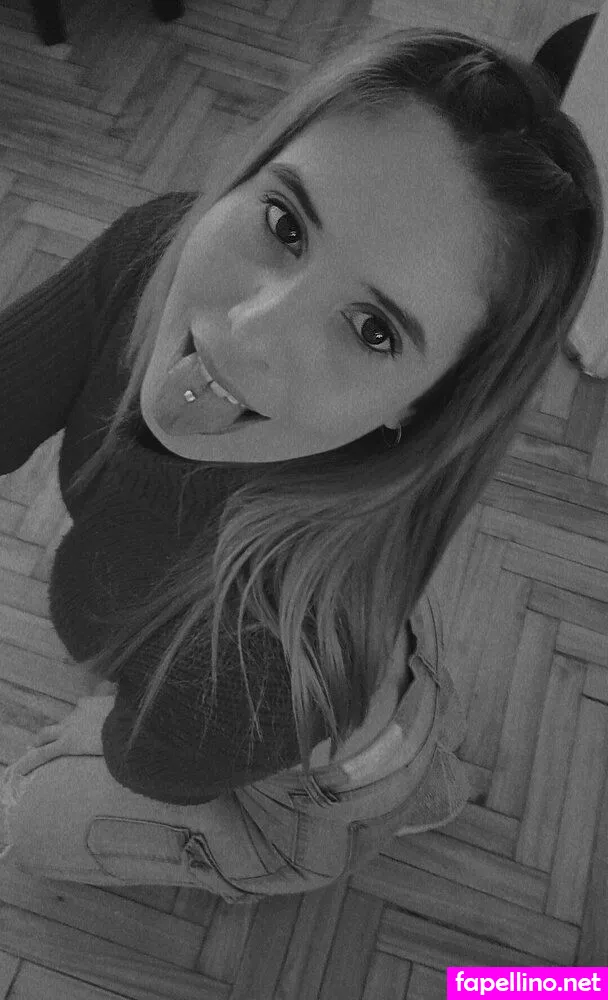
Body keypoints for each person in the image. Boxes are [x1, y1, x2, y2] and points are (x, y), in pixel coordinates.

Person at [0, 26, 602, 902]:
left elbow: (159, 767)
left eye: (372, 330)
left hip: (309, 794)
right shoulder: (150, 251)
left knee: (29, 821)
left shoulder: (266, 654)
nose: (251, 332)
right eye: (285, 223)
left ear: (423, 406)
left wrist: (111, 729)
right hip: (343, 668)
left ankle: (405, 787)